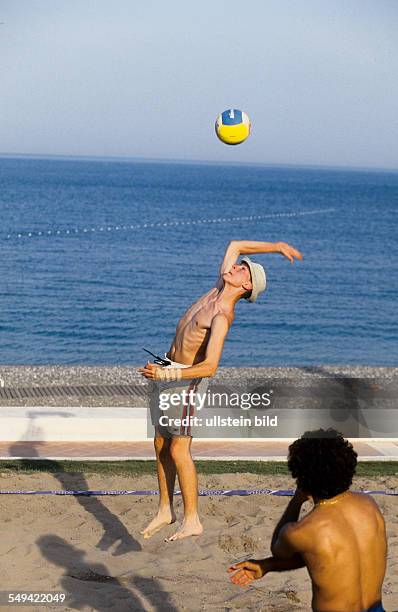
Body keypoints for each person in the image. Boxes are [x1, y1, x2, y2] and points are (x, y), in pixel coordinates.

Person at [139, 240, 302, 541]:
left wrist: (168, 372)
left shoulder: (222, 316)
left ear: (247, 286)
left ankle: (192, 520)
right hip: (167, 373)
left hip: (185, 383)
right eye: (239, 265)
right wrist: (277, 247)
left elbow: (210, 366)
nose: (237, 267)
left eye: (243, 270)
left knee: (179, 448)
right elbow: (236, 245)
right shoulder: (215, 290)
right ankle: (165, 509)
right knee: (160, 444)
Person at [228, 429, 387, 612]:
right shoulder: (369, 505)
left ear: (301, 478)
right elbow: (328, 561)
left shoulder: (301, 531)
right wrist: (267, 565)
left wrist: (297, 499)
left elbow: (278, 550)